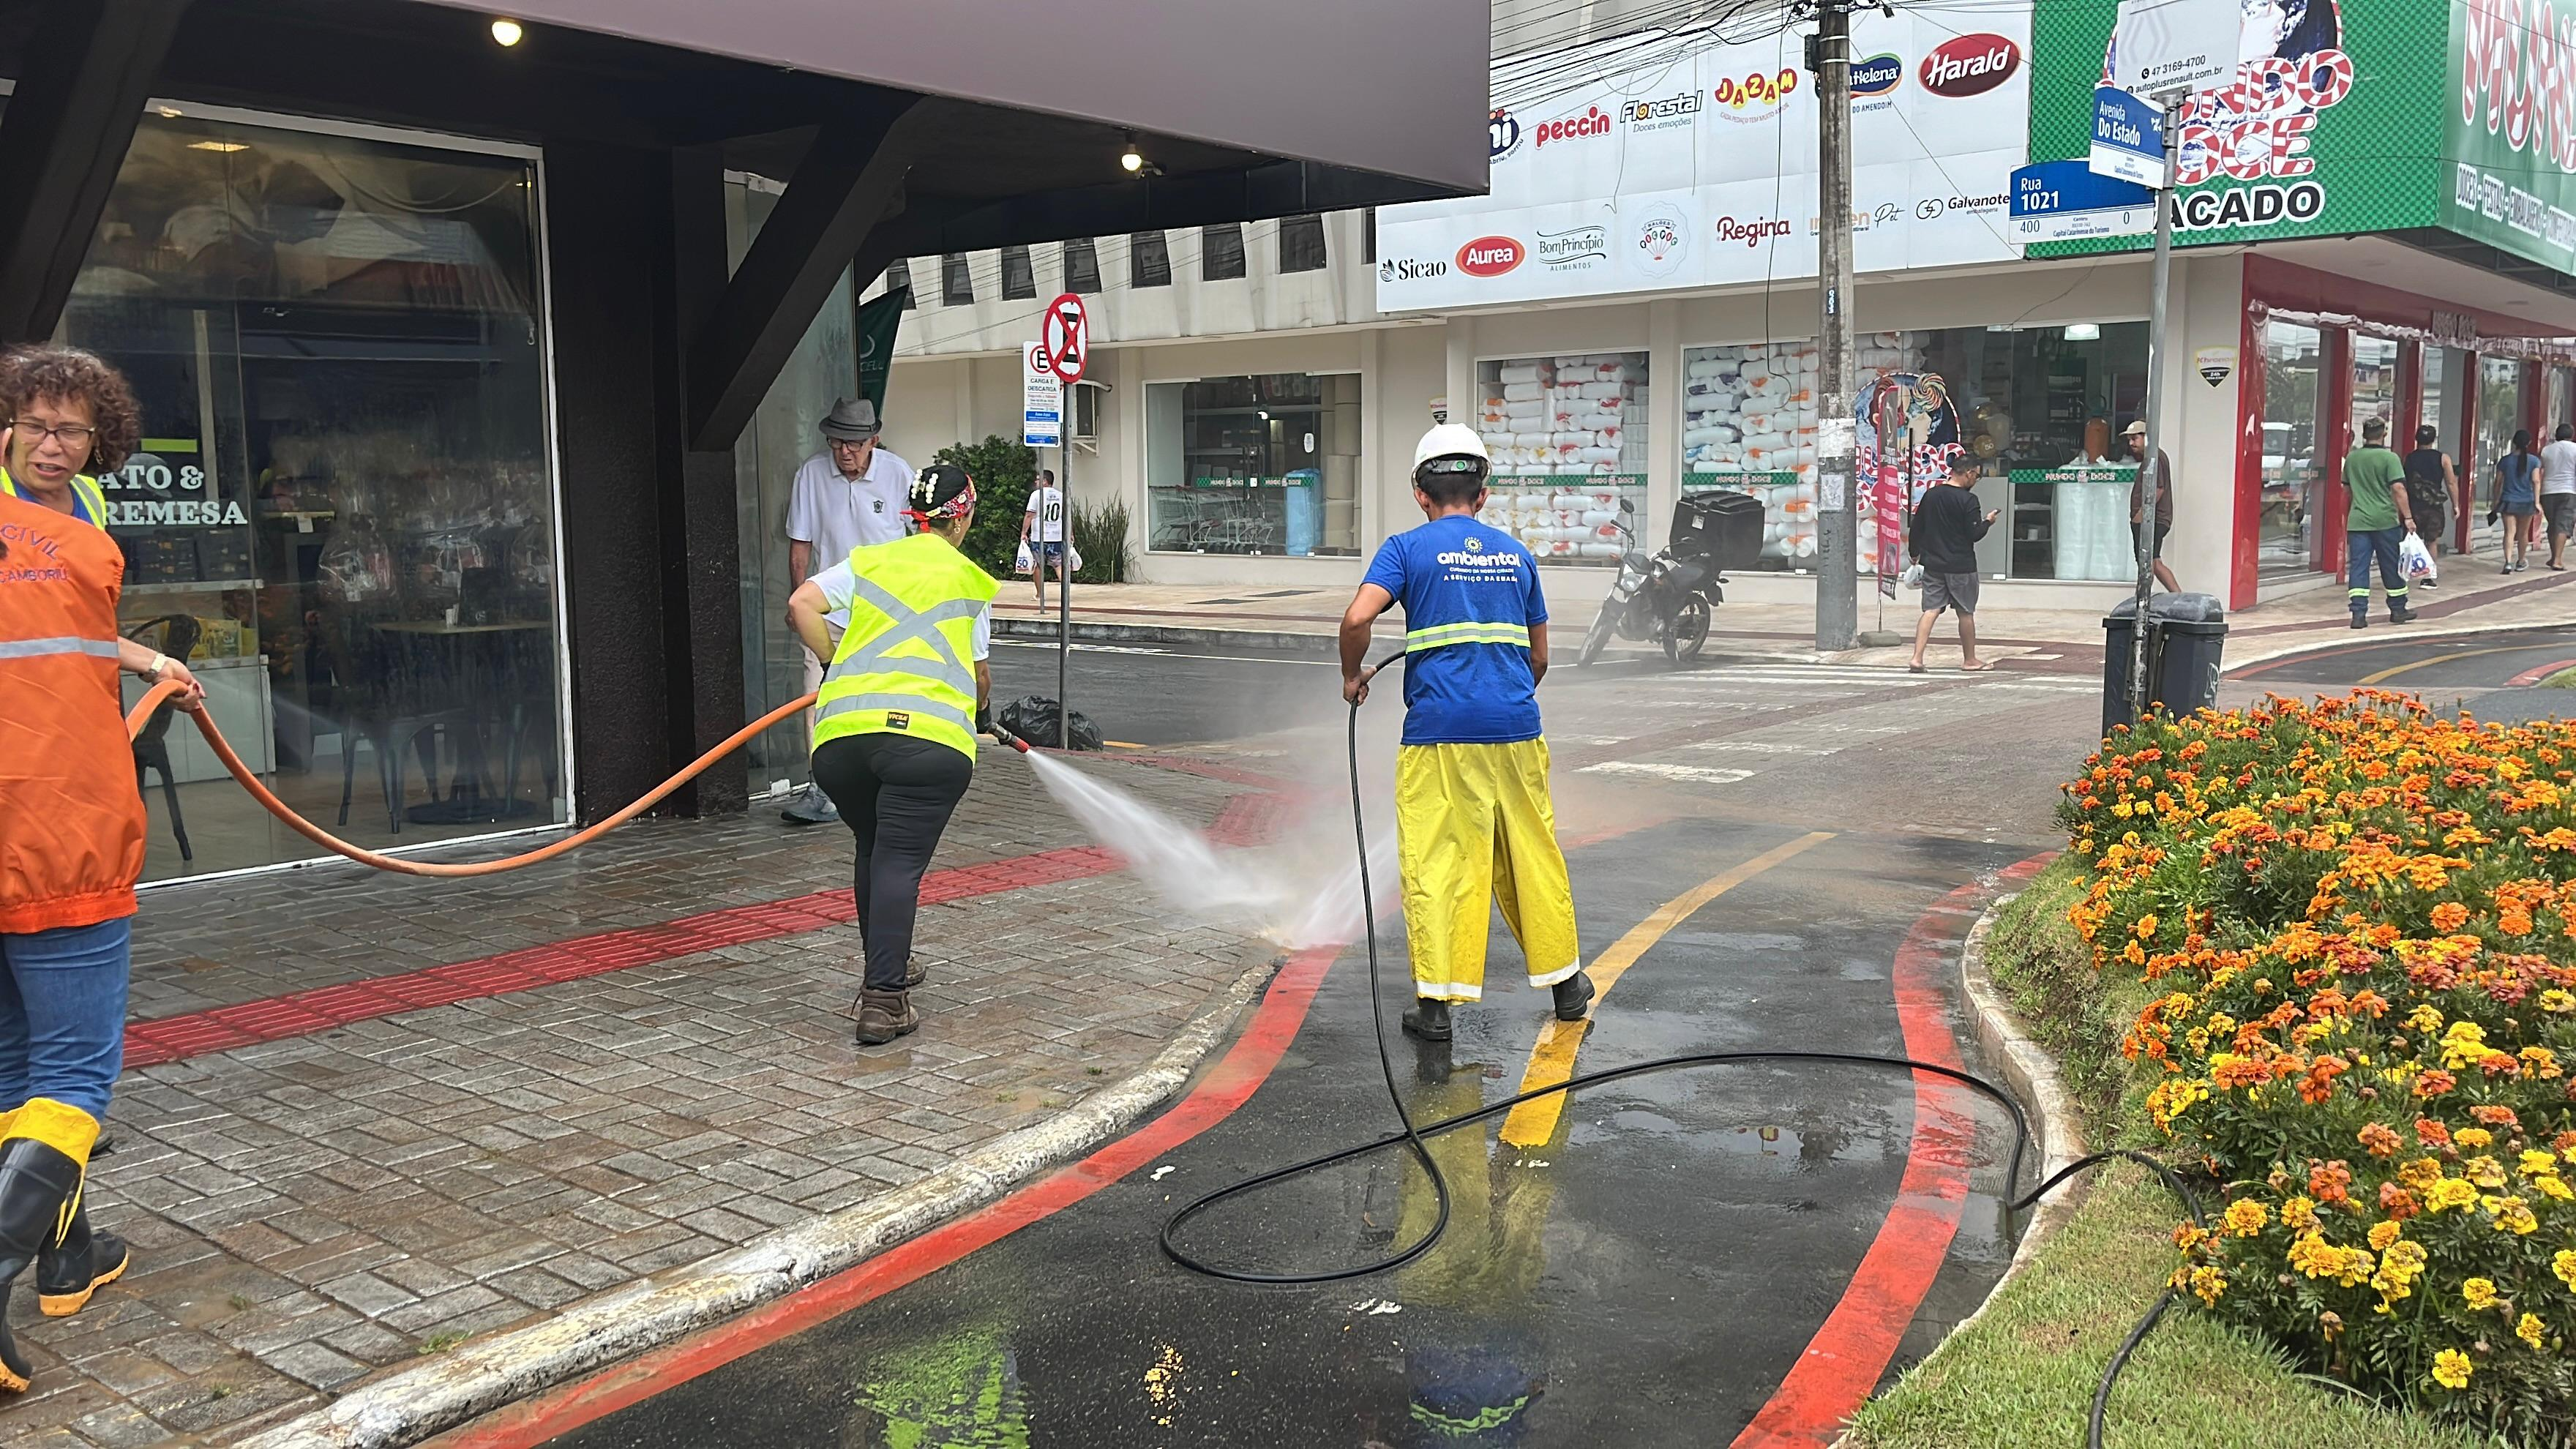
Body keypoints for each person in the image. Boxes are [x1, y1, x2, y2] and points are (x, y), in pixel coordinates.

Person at [0, 345, 204, 1392]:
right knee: (75, 1075)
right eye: (32, 422)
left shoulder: (78, 510)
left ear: (100, 440)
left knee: (14, 1068)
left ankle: (68, 1254)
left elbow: (50, 635)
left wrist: (140, 660)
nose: (50, 442)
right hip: (50, 821)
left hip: (30, 814)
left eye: (70, 427)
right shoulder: (31, 521)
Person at [1339, 424, 1590, 1043]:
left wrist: (1353, 676)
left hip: (1440, 734)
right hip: (1516, 730)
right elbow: (1539, 658)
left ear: (1420, 494)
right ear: (1482, 494)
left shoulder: (1405, 549)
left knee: (1440, 862)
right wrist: (1502, 699)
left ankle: (1436, 1010)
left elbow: (1357, 617)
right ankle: (1568, 988)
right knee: (1534, 854)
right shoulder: (1516, 554)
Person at [785, 463, 996, 1046]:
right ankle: (884, 1001)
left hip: (842, 744)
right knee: (899, 860)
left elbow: (801, 604)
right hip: (925, 749)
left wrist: (834, 663)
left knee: (876, 849)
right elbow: (979, 677)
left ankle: (889, 968)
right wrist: (981, 713)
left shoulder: (870, 562)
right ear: (964, 515)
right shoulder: (970, 581)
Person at [782, 398, 916, 825]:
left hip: (887, 614)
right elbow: (800, 543)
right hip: (829, 611)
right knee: (817, 697)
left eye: (855, 443)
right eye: (837, 441)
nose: (845, 451)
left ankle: (883, 783)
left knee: (883, 699)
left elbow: (920, 540)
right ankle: (820, 788)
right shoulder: (811, 474)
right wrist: (797, 597)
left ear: (873, 440)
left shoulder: (898, 474)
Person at [1907, 446, 1997, 673]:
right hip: (1961, 565)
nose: (1976, 480)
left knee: (1931, 610)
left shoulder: (1931, 495)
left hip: (1933, 564)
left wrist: (1914, 552)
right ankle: (1970, 660)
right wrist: (1987, 522)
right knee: (1965, 612)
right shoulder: (1969, 501)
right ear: (1968, 473)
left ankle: (1917, 658)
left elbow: (1917, 526)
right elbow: (1974, 534)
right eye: (1977, 476)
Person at [2343, 417, 2417, 628]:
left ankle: (2358, 615)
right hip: (2385, 521)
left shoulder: (2352, 458)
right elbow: (2398, 489)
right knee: (2391, 566)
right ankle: (2398, 609)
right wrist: (2409, 517)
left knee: (2359, 568)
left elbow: (2347, 490)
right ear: (2384, 433)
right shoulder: (2390, 458)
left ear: (2365, 434)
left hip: (2358, 522)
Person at [2122, 419, 2178, 593]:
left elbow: (2158, 488)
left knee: (2148, 562)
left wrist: (2142, 515)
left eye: (2135, 439)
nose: (2132, 444)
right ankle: (2176, 596)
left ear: (2147, 437)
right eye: (2129, 440)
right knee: (2153, 561)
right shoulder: (2152, 457)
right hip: (2151, 519)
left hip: (2152, 519)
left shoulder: (2156, 457)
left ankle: (2143, 599)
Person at [2402, 426, 2457, 582]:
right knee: (2432, 541)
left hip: (2414, 505)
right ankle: (2429, 576)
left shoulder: (2409, 458)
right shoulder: (2443, 458)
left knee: (2414, 539)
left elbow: (2403, 483)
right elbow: (2451, 483)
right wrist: (2456, 505)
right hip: (2434, 505)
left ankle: (2412, 571)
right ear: (2434, 439)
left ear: (2416, 439)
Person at [2493, 428, 2541, 574]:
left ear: (2514, 442)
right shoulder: (2534, 461)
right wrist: (2537, 502)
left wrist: (2495, 500)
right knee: (2523, 533)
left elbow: (2498, 482)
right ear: (2529, 443)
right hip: (2527, 501)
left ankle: (2507, 562)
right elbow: (2536, 481)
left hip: (2508, 500)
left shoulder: (2505, 461)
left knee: (2509, 532)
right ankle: (2521, 561)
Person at [1022, 468, 1066, 607]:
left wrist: (1024, 532)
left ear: (1045, 481)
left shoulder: (1036, 495)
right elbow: (1066, 517)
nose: (1036, 482)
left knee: (1038, 565)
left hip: (1039, 536)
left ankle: (1040, 594)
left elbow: (1030, 514)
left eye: (1038, 479)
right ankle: (1066, 592)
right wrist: (1070, 534)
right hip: (1057, 536)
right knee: (1059, 565)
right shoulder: (1061, 495)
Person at [2541, 422, 2576, 571]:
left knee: (2553, 525)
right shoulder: (2575, 449)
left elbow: (2540, 469)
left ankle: (2553, 556)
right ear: (2572, 435)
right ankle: (2557, 560)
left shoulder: (2546, 450)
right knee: (2563, 525)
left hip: (2547, 491)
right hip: (2568, 490)